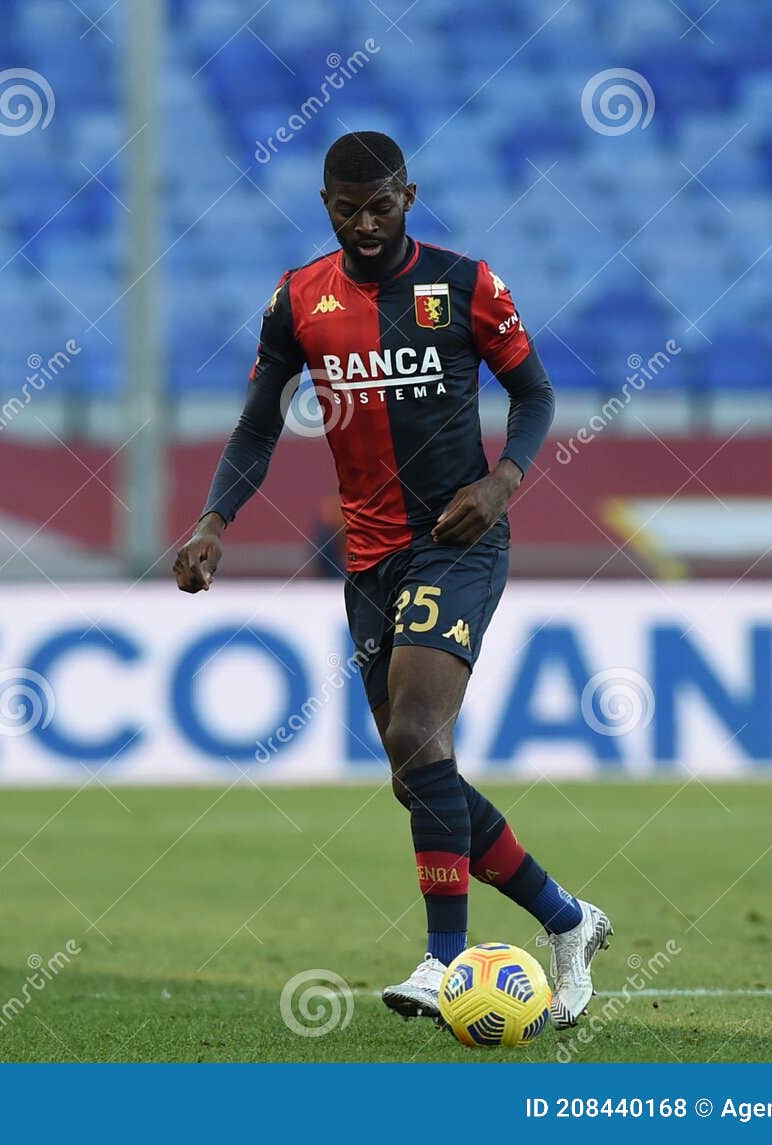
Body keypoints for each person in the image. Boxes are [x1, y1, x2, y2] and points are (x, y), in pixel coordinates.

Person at [172, 131, 611, 1027]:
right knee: (420, 773)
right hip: (367, 556)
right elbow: (257, 427)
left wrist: (502, 482)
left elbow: (535, 396)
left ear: (411, 195)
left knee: (416, 731)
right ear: (325, 204)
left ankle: (444, 962)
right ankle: (568, 919)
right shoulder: (299, 301)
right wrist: (215, 520)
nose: (365, 224)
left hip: (459, 537)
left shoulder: (466, 285)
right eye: (346, 209)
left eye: (381, 205)